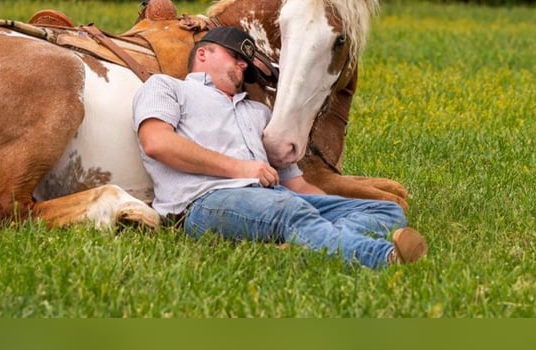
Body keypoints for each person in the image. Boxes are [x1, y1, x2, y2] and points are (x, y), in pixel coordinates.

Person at [132, 26, 427, 269]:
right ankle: (384, 257)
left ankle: (305, 246)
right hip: (206, 203)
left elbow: (296, 185)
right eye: (235, 56)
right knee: (290, 210)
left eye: (246, 64)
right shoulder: (168, 87)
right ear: (203, 53)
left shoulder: (258, 112)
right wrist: (242, 169)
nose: (243, 65)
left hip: (277, 197)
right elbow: (157, 142)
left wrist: (327, 208)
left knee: (387, 211)